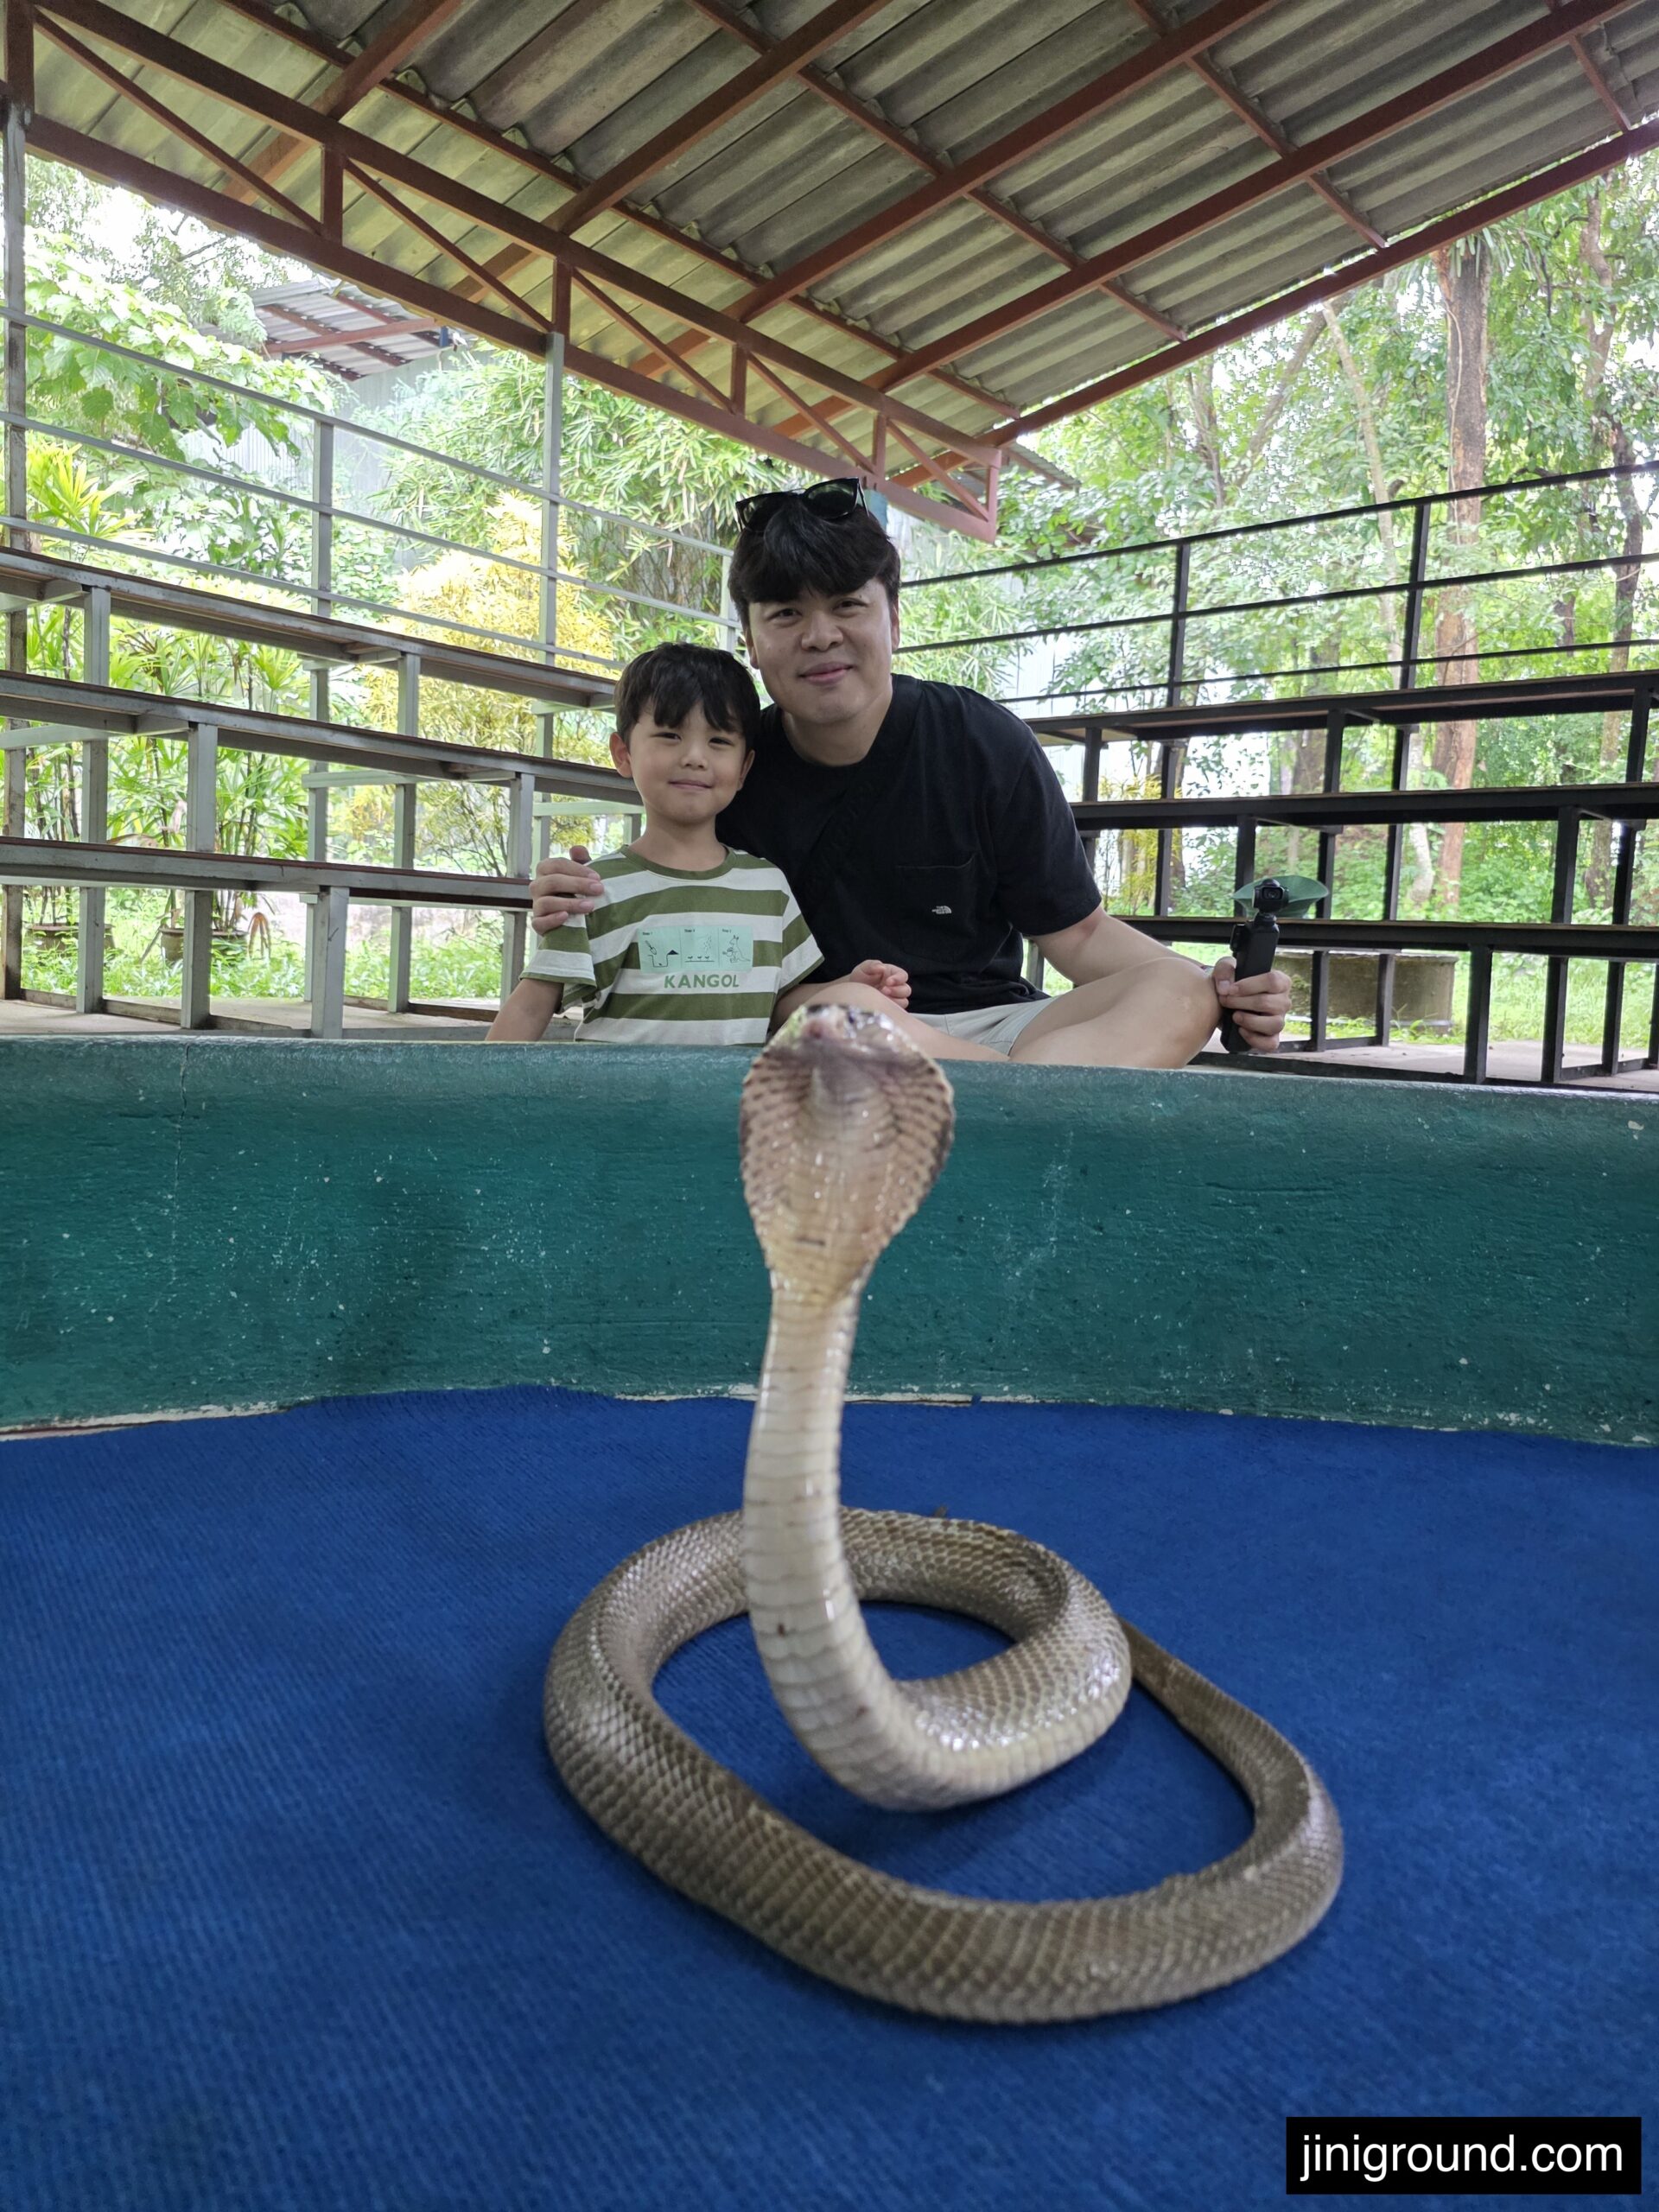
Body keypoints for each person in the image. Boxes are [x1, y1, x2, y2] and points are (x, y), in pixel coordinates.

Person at [528, 479, 1291, 1066]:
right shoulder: (733, 764)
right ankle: (1031, 1100)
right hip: (838, 1029)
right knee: (838, 1020)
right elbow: (669, 878)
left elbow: (1082, 933)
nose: (820, 636)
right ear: (752, 643)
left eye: (847, 606)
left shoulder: (984, 744)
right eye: (786, 614)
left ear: (894, 617)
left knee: (1179, 989)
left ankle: (1001, 1093)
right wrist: (573, 889)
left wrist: (1226, 993)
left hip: (1000, 1027)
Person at [489, 641, 909, 1046]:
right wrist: (478, 1097)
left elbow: (780, 1004)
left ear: (744, 767)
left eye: (719, 741)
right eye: (670, 735)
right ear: (623, 754)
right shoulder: (592, 889)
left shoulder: (767, 888)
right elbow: (531, 1005)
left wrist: (850, 989)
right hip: (621, 1115)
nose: (694, 756)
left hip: (726, 1113)